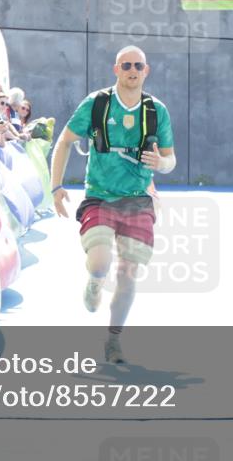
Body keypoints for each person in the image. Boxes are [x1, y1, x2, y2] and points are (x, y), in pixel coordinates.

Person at [49, 45, 175, 364]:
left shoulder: (156, 110)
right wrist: (56, 186)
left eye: (138, 65)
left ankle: (114, 340)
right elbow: (64, 142)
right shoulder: (96, 104)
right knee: (101, 264)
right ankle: (94, 282)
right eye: (126, 65)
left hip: (137, 200)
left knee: (129, 273)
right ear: (116, 69)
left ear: (146, 71)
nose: (132, 70)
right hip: (100, 196)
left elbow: (170, 160)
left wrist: (161, 163)